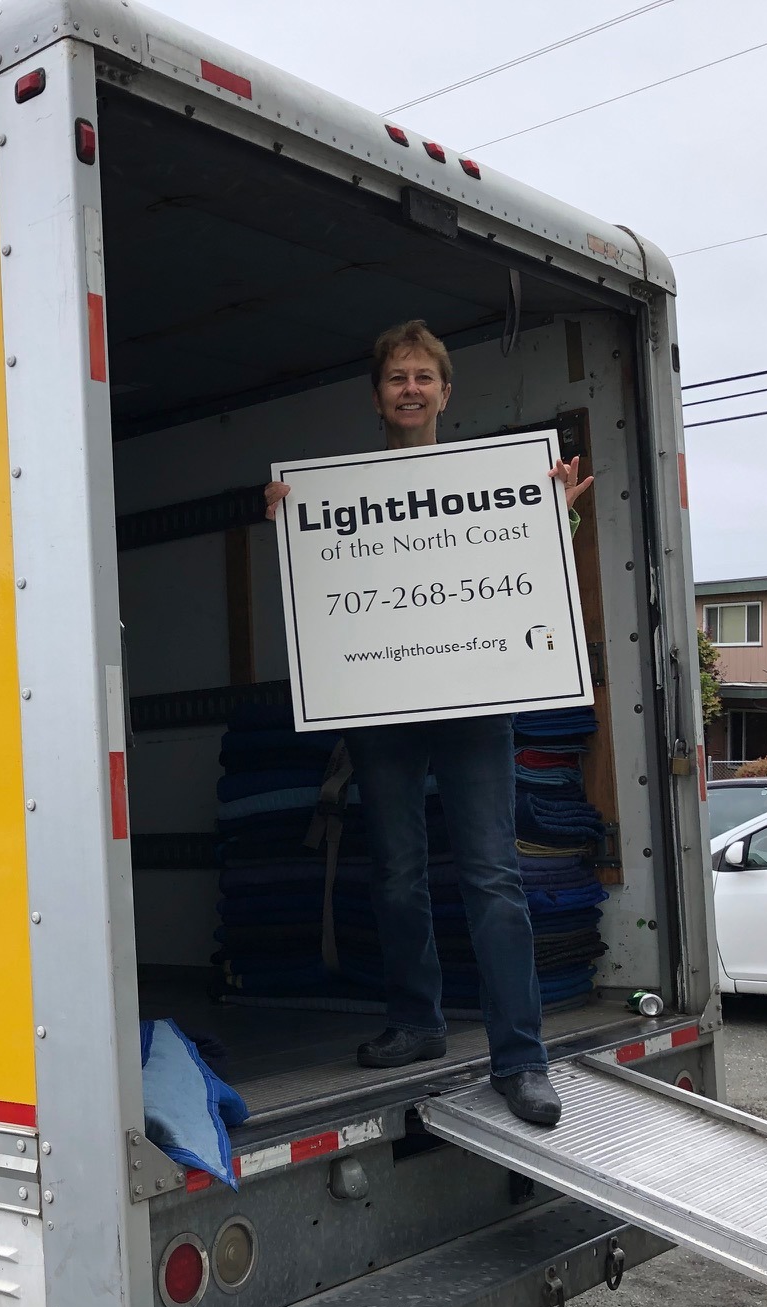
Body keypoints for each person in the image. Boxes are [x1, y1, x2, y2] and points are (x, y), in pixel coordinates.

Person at [263, 320, 591, 1128]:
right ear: (378, 395)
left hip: (476, 707)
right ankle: (418, 1024)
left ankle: (522, 1060)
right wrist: (286, 528)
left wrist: (559, 520)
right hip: (385, 711)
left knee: (493, 879)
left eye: (423, 377)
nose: (410, 389)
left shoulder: (495, 480)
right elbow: (323, 594)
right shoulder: (331, 494)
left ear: (446, 392)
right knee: (398, 876)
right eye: (396, 377)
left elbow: (522, 573)